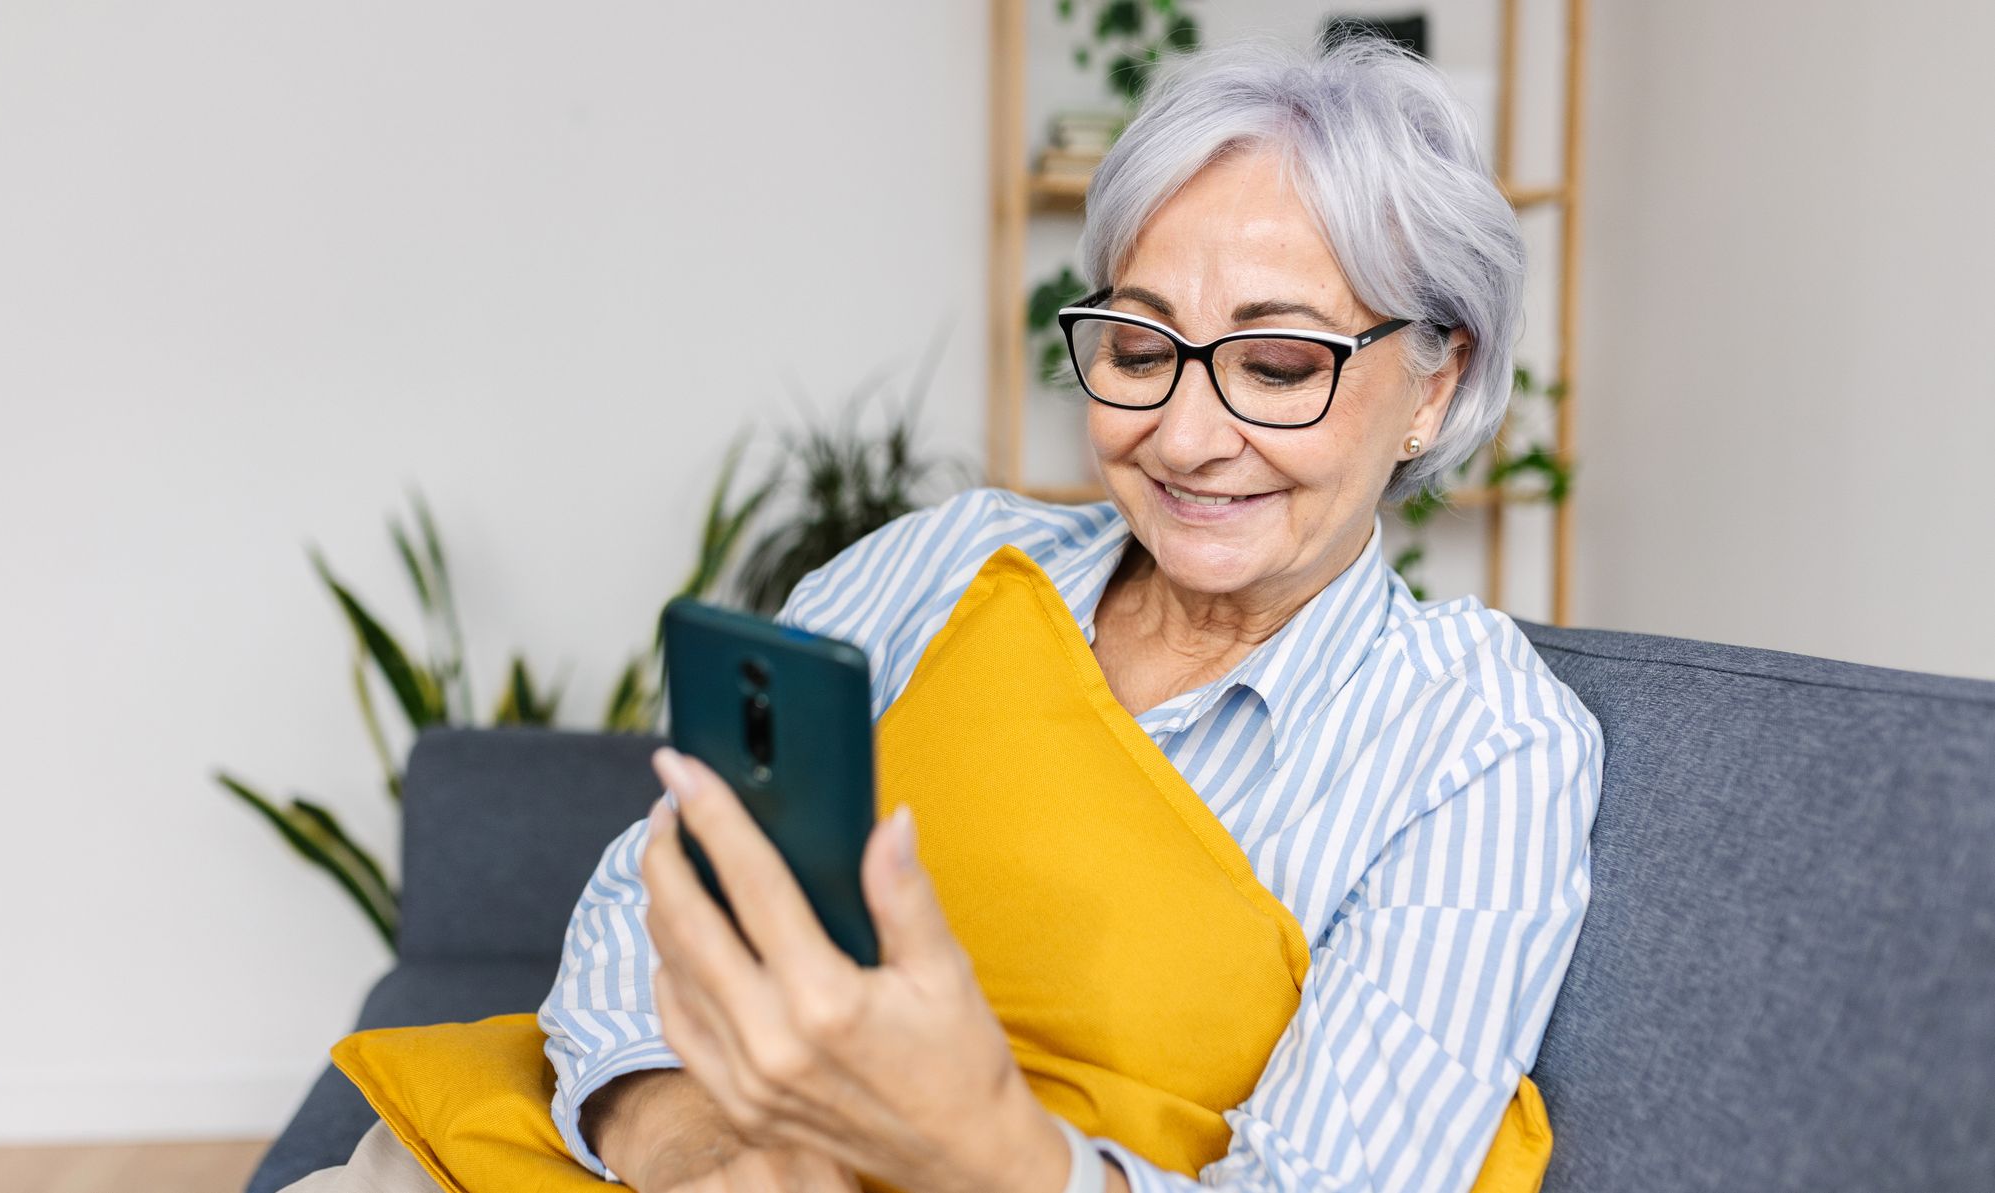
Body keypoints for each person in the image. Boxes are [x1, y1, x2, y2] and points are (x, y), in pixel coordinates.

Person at [538, 32, 1602, 1193]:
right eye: (1140, 350)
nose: (1185, 438)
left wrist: (985, 1147)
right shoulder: (947, 561)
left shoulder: (1475, 739)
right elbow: (647, 899)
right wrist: (699, 1152)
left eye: (1278, 367)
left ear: (1437, 383)